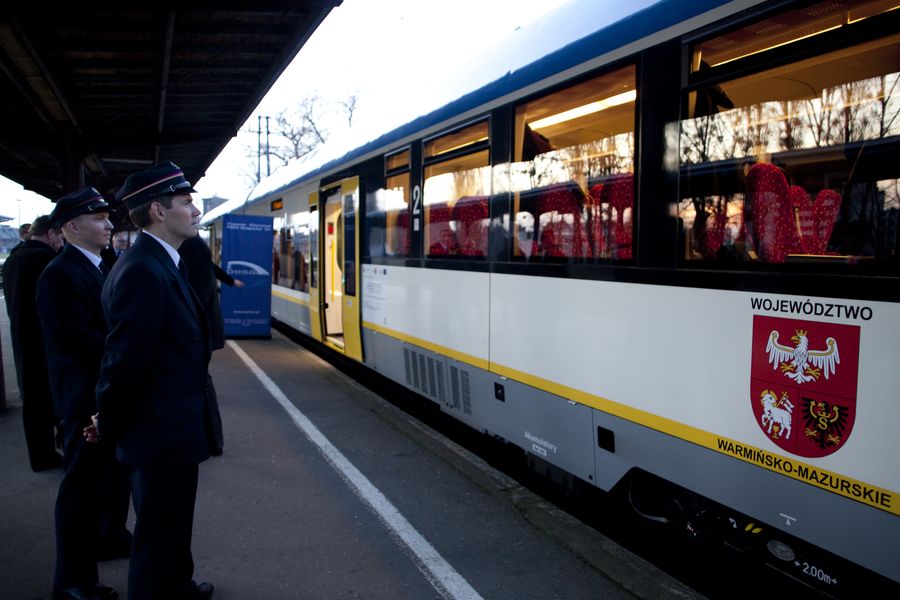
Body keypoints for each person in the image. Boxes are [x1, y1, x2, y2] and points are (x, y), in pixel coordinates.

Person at [88, 161, 216, 600]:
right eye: (186, 202)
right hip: (159, 431)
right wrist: (107, 421)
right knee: (159, 533)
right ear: (159, 212)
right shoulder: (144, 270)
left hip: (168, 428)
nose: (196, 210)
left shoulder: (156, 262)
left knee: (170, 527)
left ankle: (177, 587)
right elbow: (123, 363)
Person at [37, 187, 131, 600]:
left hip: (99, 396)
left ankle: (104, 542)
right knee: (80, 490)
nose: (109, 224)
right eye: (98, 219)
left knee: (103, 483)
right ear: (72, 227)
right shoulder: (60, 274)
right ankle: (73, 582)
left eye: (108, 217)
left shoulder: (96, 265)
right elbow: (79, 342)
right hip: (82, 402)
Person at [2, 215, 64, 471]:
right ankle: (48, 456)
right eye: (60, 236)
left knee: (33, 401)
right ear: (50, 234)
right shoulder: (45, 260)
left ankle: (39, 455)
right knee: (48, 398)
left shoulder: (15, 257)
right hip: (43, 341)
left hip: (21, 337)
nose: (61, 242)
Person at [178, 233, 244, 455]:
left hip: (201, 324)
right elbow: (208, 271)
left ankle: (210, 439)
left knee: (201, 381)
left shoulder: (188, 245)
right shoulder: (192, 244)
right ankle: (212, 439)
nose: (195, 214)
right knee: (202, 380)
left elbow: (202, 281)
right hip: (206, 321)